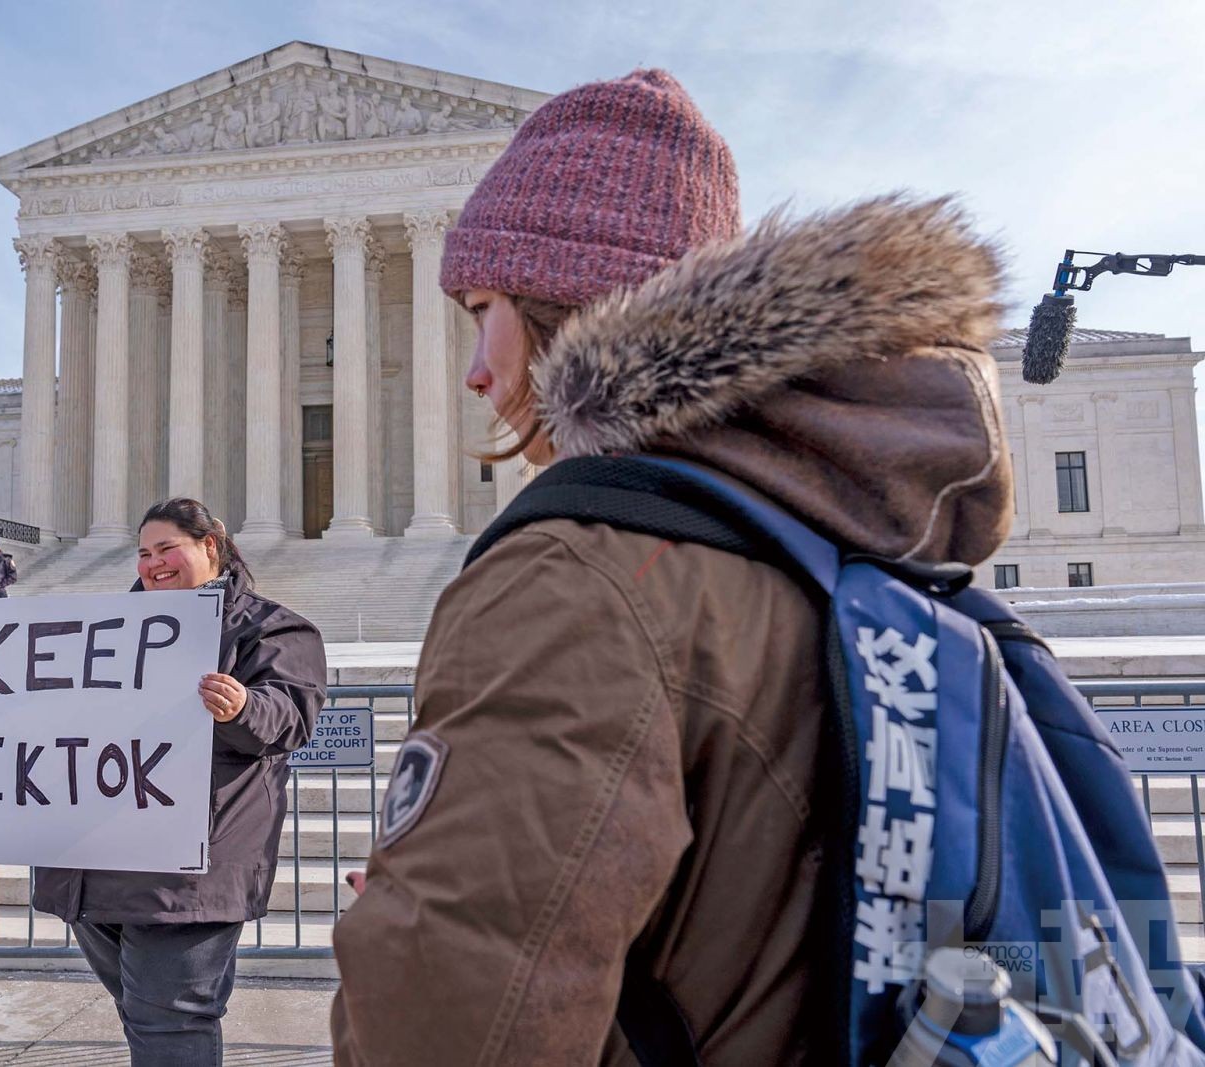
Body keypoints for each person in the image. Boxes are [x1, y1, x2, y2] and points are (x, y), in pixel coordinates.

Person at [328, 70, 1013, 1064]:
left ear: (561, 299)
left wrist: (430, 913)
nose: (474, 368)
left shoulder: (581, 577)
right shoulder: (822, 535)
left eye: (483, 308)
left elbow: (457, 1012)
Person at [0, 498, 326, 1065]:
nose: (153, 563)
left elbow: (289, 719)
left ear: (211, 546)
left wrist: (242, 707)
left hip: (189, 874)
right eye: (144, 553)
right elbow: (38, 717)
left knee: (171, 1021)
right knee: (145, 1011)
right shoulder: (93, 634)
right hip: (93, 866)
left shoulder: (272, 629)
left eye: (167, 549)